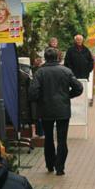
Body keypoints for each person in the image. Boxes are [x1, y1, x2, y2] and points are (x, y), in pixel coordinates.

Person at [29, 46, 84, 176]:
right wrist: (67, 96)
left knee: (48, 138)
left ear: (45, 58)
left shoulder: (39, 72)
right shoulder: (66, 71)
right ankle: (60, 168)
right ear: (58, 57)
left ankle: (49, 165)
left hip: (46, 110)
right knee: (62, 139)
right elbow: (79, 88)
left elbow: (32, 93)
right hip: (62, 110)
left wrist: (41, 99)